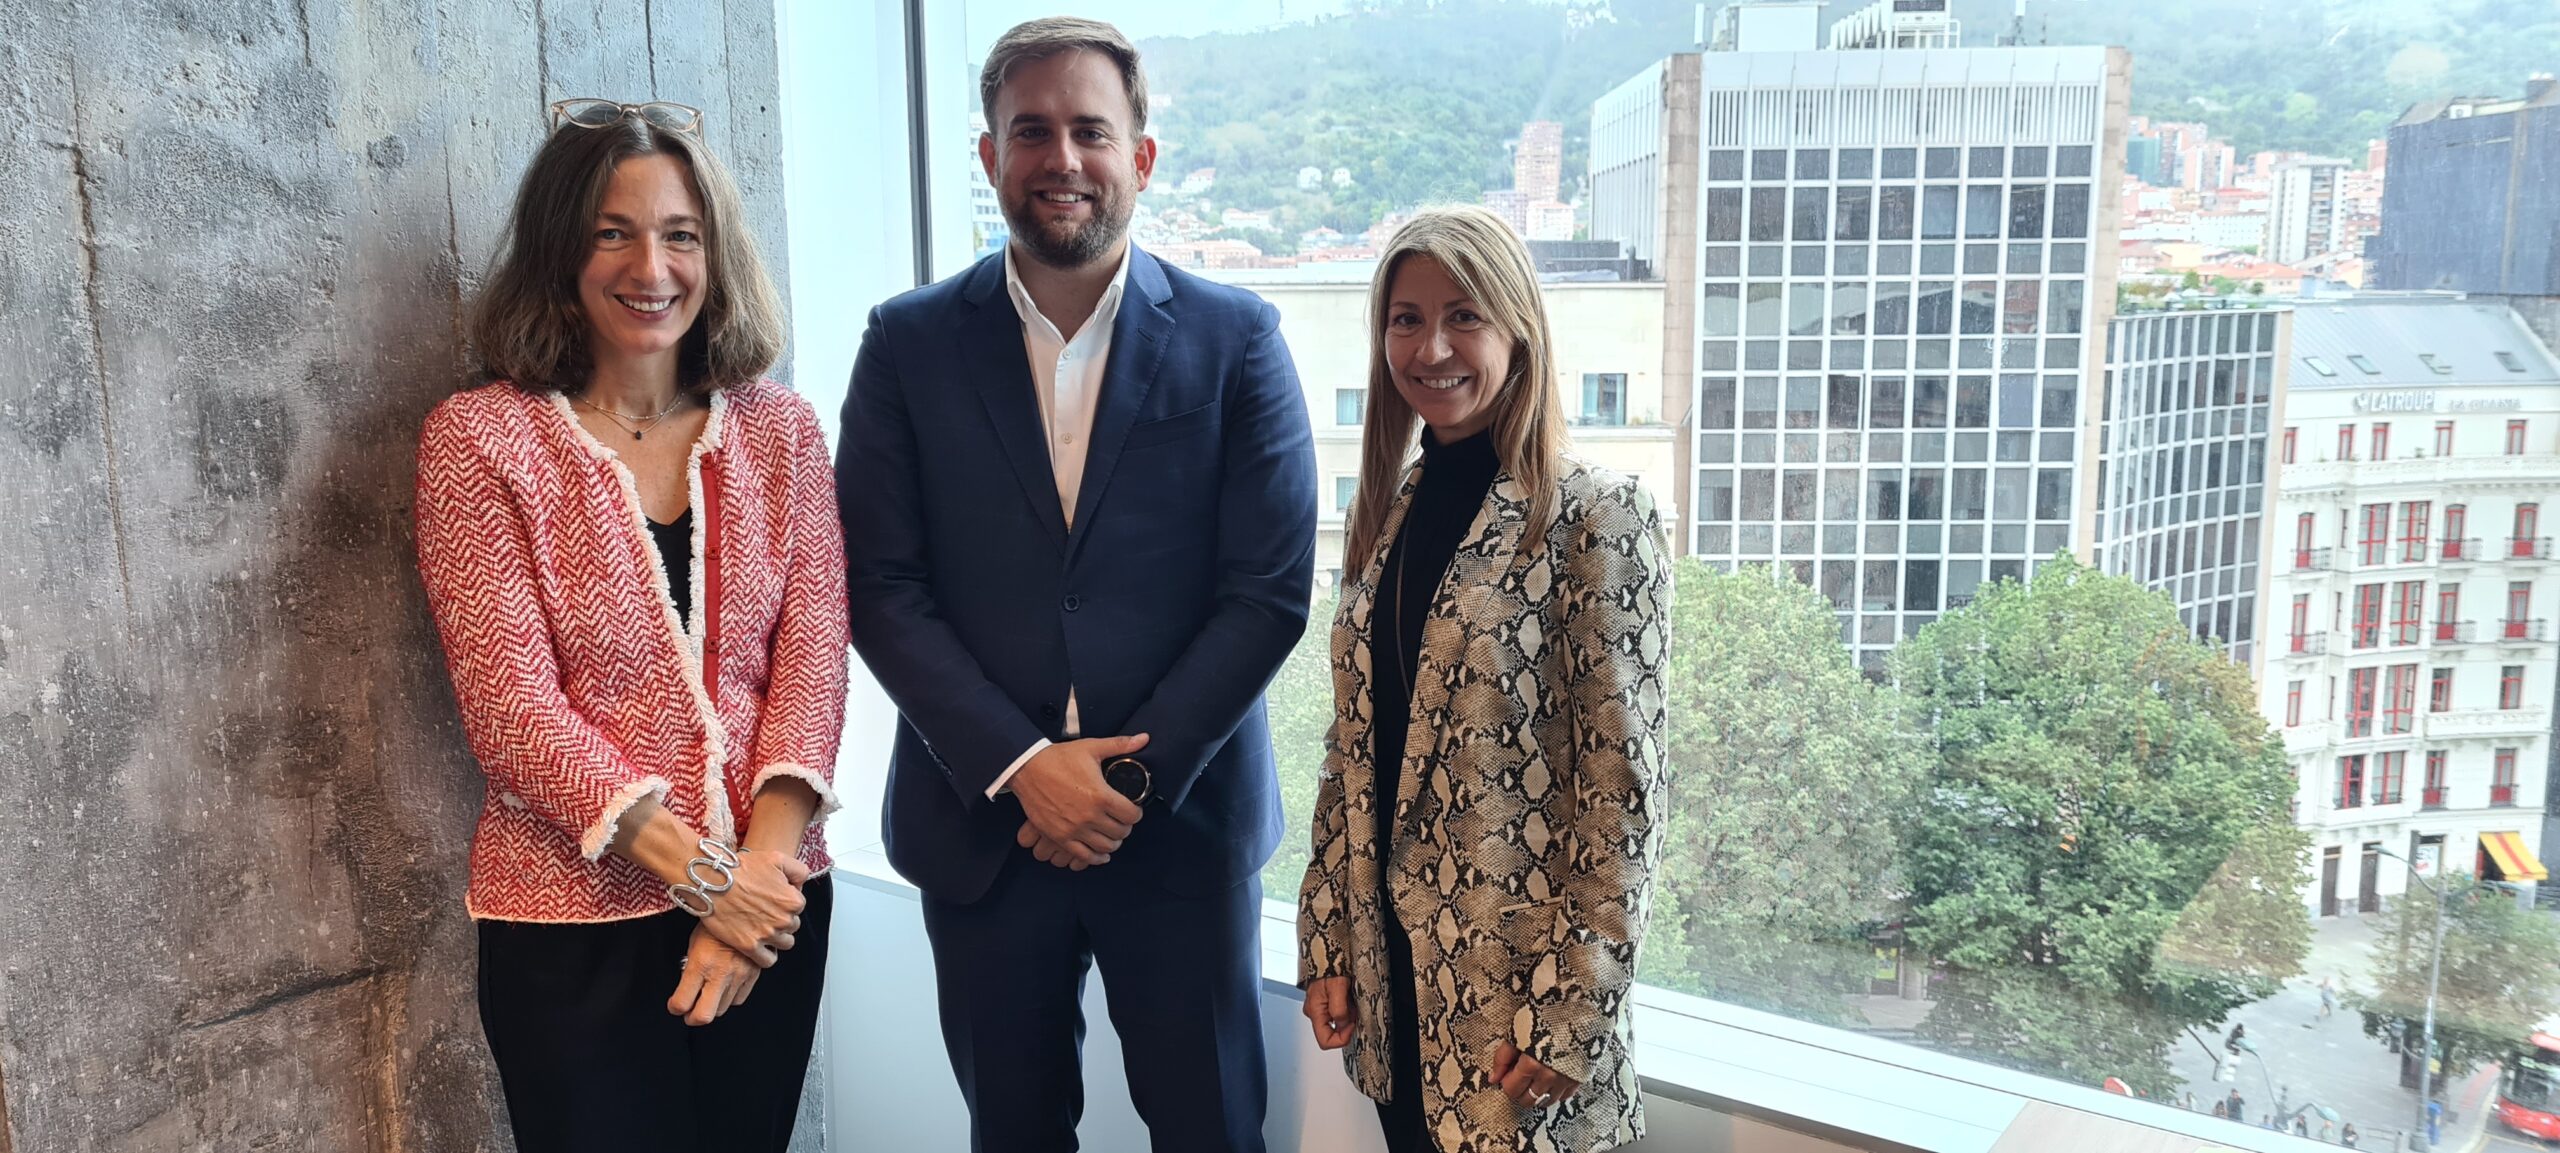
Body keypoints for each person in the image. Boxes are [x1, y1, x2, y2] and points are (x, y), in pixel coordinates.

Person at [838, 16, 1316, 1153]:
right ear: (990, 155)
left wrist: (1119, 788)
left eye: (1090, 131)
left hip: (1181, 831)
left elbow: (1268, 592)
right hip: (983, 828)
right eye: (1031, 131)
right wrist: (1022, 769)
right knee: (1012, 1130)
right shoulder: (905, 344)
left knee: (1211, 1131)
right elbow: (879, 584)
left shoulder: (1237, 337)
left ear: (1139, 157)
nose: (1062, 158)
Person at [414, 98, 846, 1153]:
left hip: (773, 898)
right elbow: (513, 711)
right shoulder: (481, 440)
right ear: (564, 248)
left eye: (679, 234)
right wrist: (709, 882)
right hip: (569, 928)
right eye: (614, 231)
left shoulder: (780, 430)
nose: (650, 265)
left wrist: (755, 889)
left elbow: (813, 662)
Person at [1296, 205, 1674, 1153]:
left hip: (1519, 1022)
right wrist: (1329, 937)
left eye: (1464, 316)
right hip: (1399, 999)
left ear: (1518, 328)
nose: (1432, 347)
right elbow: (1353, 751)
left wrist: (1572, 1013)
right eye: (1406, 318)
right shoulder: (1384, 516)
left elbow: (1623, 794)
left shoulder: (1594, 515)